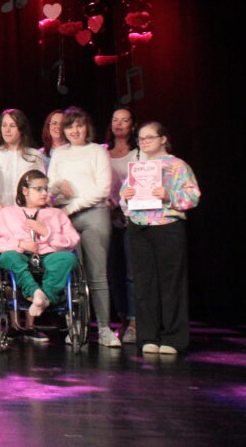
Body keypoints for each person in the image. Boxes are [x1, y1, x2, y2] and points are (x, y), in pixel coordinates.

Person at [119, 122, 200, 355]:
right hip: (139, 227)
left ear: (163, 139)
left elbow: (193, 196)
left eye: (149, 137)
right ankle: (148, 336)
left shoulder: (177, 165)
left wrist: (169, 195)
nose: (144, 142)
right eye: (140, 139)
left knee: (170, 284)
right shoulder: (138, 167)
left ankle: (173, 338)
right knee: (144, 284)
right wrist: (125, 196)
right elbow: (124, 201)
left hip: (167, 226)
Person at [47, 106, 119, 347]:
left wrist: (72, 207)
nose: (75, 131)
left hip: (93, 213)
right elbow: (49, 187)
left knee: (97, 274)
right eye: (70, 127)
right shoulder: (59, 153)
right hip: (64, 214)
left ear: (87, 127)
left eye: (79, 126)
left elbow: (103, 189)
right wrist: (58, 186)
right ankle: (76, 325)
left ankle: (105, 328)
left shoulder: (97, 151)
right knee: (71, 274)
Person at [0, 170, 80, 341]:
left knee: (68, 258)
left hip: (48, 255)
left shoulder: (56, 214)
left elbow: (73, 240)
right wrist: (20, 244)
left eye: (46, 189)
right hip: (20, 254)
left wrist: (46, 232)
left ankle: (45, 296)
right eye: (38, 189)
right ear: (25, 190)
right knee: (8, 257)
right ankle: (36, 293)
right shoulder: (7, 213)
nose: (44, 193)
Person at [106, 108, 139, 345]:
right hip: (107, 216)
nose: (119, 124)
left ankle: (135, 321)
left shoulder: (138, 154)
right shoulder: (102, 152)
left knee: (131, 272)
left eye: (125, 120)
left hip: (132, 217)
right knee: (114, 271)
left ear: (132, 125)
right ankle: (122, 319)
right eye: (115, 120)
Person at [0, 109, 47, 215]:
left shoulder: (35, 155)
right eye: (4, 125)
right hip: (2, 214)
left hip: (29, 214)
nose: (7, 130)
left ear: (21, 129)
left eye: (12, 126)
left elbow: (42, 186)